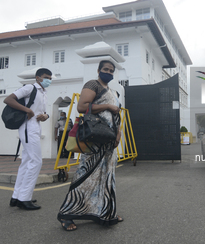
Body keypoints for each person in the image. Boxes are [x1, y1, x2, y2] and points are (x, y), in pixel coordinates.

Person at [57, 60, 122, 231]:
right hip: (96, 139)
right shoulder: (93, 84)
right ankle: (67, 214)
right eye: (105, 69)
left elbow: (117, 116)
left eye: (111, 70)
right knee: (85, 175)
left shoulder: (114, 91)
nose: (109, 72)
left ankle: (106, 212)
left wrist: (118, 135)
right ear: (99, 70)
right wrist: (107, 105)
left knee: (106, 178)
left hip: (109, 141)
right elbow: (82, 106)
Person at [4, 68, 52, 210]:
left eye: (50, 78)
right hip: (27, 126)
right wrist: (27, 110)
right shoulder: (30, 88)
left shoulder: (43, 92)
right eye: (45, 77)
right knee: (36, 161)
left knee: (26, 162)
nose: (48, 80)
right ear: (37, 77)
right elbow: (8, 99)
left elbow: (41, 112)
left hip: (36, 126)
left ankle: (17, 196)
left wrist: (46, 116)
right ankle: (24, 198)